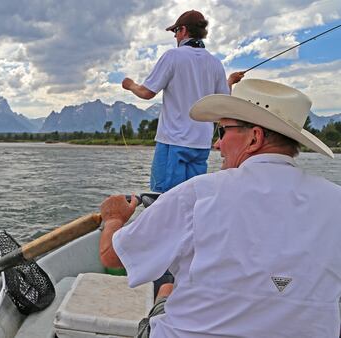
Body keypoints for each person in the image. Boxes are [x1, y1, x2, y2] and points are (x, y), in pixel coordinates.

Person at [100, 79, 341, 337]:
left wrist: (113, 219)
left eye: (222, 131)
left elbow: (113, 257)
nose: (217, 144)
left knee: (166, 288)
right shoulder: (335, 199)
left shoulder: (198, 194)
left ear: (254, 138)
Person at [121, 9, 244, 193]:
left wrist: (130, 84)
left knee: (163, 200)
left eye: (175, 31)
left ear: (184, 30)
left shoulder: (173, 56)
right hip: (201, 145)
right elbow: (224, 104)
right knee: (191, 200)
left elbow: (147, 93)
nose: (175, 37)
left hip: (174, 141)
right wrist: (230, 81)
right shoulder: (215, 63)